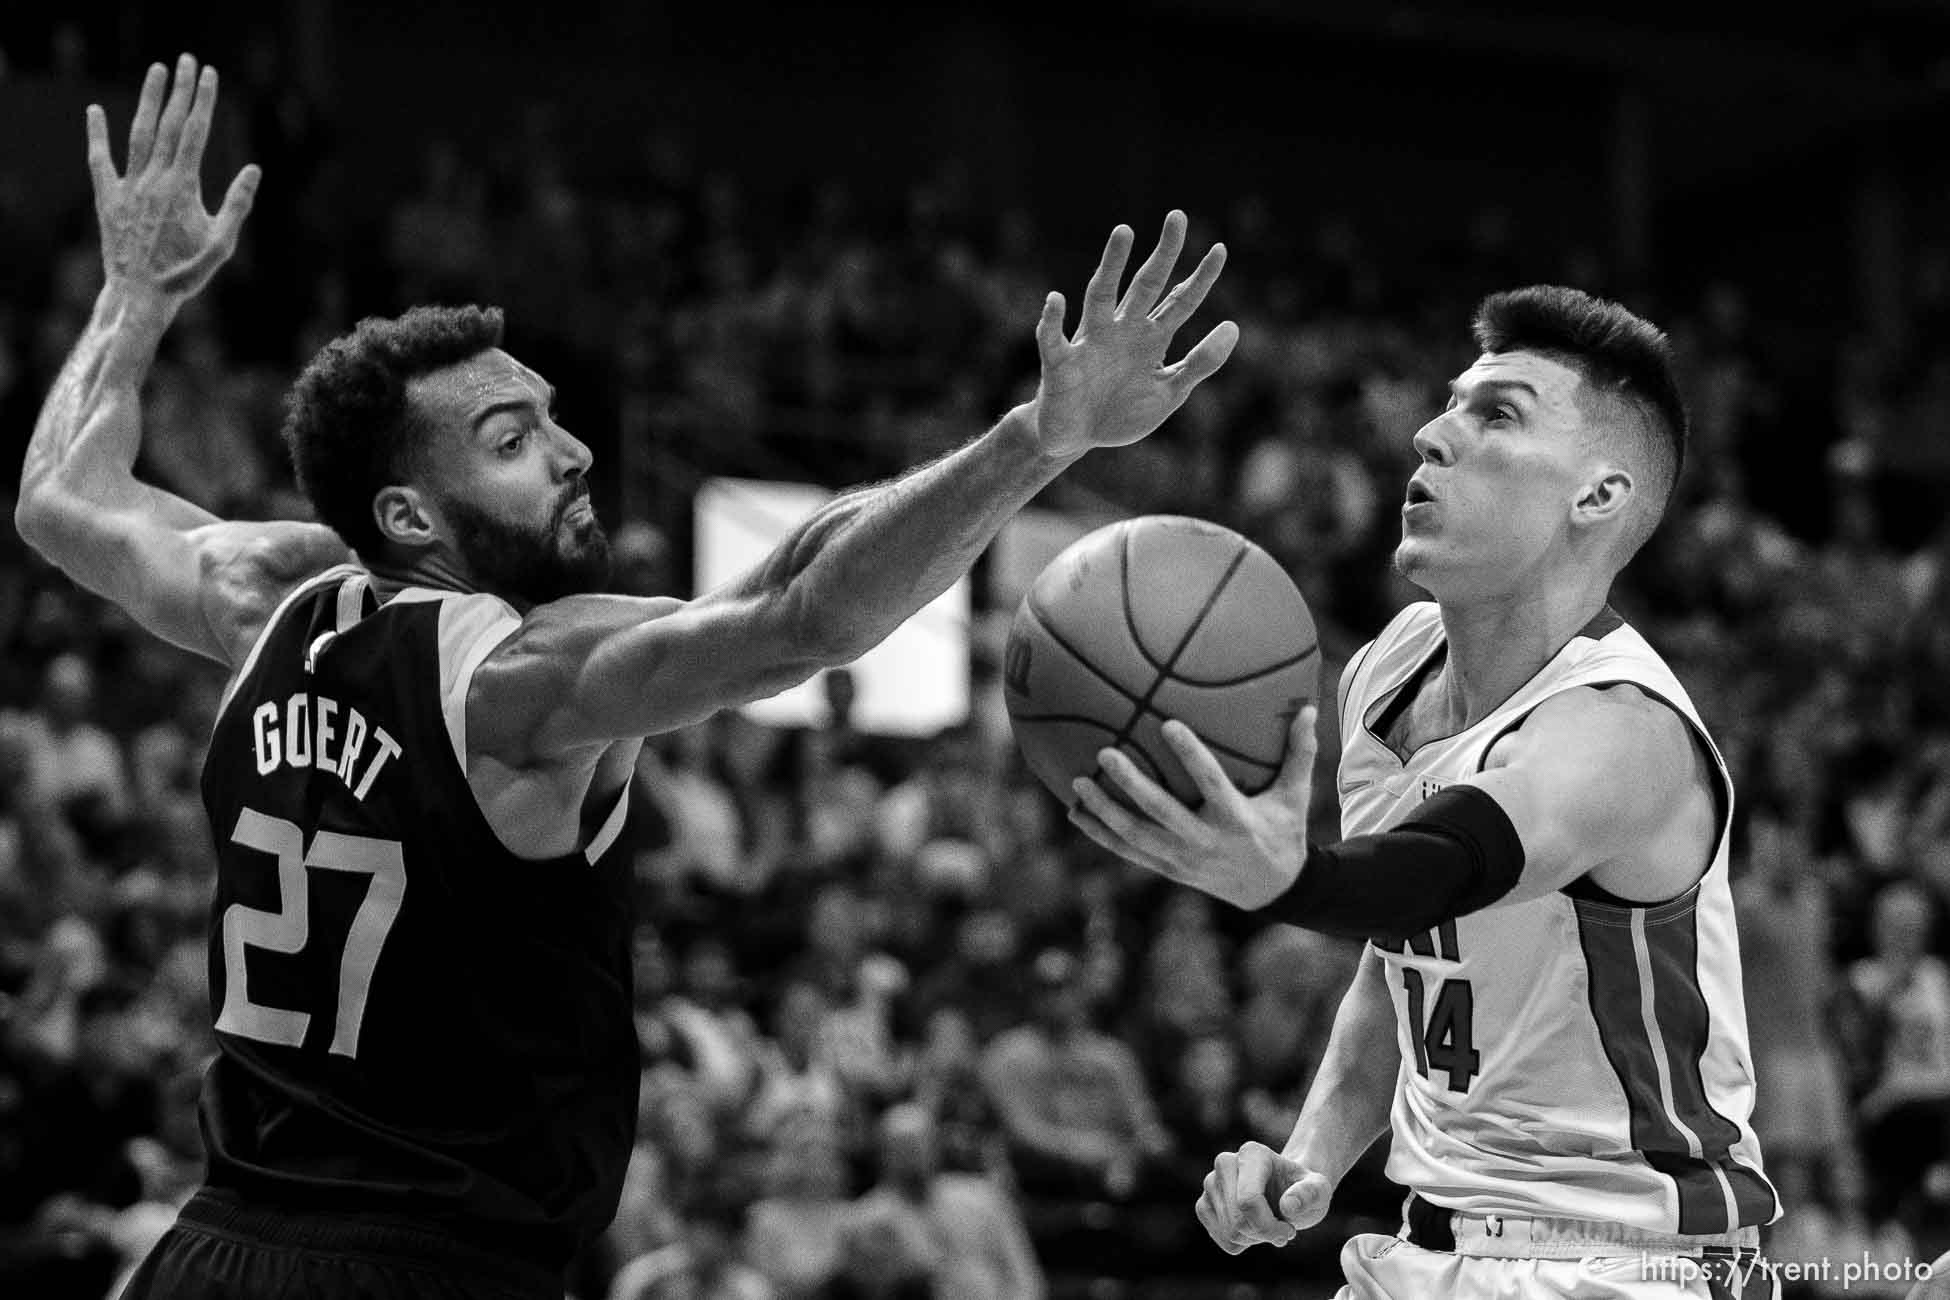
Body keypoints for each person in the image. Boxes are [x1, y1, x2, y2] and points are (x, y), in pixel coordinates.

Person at [15, 53, 1238, 1300]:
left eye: (548, 416)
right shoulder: (520, 685)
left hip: (211, 1253)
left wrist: (134, 296)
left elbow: (63, 498)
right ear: (412, 515)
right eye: (512, 441)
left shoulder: (263, 603)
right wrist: (1038, 437)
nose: (573, 451)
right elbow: (799, 608)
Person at [1068, 286, 1782, 1297]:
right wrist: (1311, 1158)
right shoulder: (1389, 666)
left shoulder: (1624, 733)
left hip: (1629, 1265)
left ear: (1598, 496)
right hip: (1435, 1246)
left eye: (1497, 414)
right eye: (1451, 404)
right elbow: (1406, 956)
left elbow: (1440, 867)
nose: (1428, 433)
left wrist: (1291, 880)